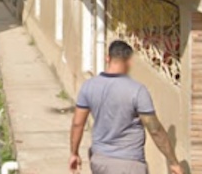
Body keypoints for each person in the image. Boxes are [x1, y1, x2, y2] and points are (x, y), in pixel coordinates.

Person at [70, 41, 182, 174]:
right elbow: (155, 130)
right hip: (129, 163)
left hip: (100, 161)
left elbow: (77, 124)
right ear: (129, 62)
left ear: (107, 58)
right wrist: (173, 162)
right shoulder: (138, 91)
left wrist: (74, 153)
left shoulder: (89, 86)